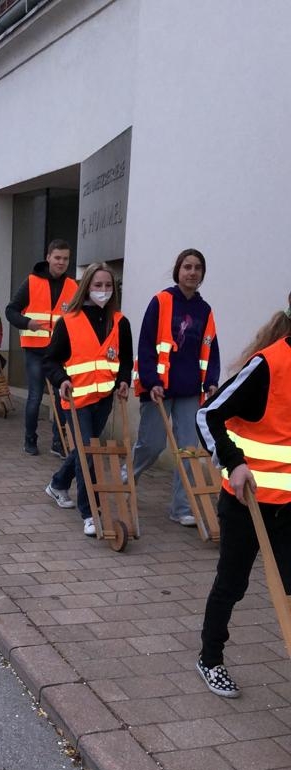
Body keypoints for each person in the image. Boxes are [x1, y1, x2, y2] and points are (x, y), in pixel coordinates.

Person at [195, 296, 291, 699]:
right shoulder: (268, 364)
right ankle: (210, 658)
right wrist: (233, 463)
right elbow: (208, 414)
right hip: (247, 501)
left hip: (288, 506)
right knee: (232, 583)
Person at [131, 248, 220, 526]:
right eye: (187, 267)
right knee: (152, 445)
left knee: (188, 450)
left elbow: (211, 349)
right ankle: (127, 479)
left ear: (202, 274)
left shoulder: (205, 310)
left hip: (190, 390)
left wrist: (212, 381)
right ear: (178, 271)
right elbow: (146, 345)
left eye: (197, 268)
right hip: (158, 389)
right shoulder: (161, 301)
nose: (192, 272)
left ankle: (181, 508)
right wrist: (152, 381)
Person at [43, 263, 133, 535]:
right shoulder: (69, 321)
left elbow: (125, 360)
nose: (103, 290)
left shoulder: (120, 322)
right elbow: (50, 360)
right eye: (97, 285)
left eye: (108, 285)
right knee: (89, 453)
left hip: (103, 398)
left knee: (84, 449)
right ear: (86, 288)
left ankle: (58, 484)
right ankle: (91, 512)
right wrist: (62, 379)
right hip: (76, 400)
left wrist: (124, 381)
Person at [6, 239, 77, 456]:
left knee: (61, 396)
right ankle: (30, 439)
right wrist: (28, 323)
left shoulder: (73, 286)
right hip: (35, 350)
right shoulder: (32, 282)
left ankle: (59, 442)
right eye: (57, 258)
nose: (61, 262)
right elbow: (11, 311)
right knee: (35, 397)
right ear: (48, 258)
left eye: (65, 259)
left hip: (60, 352)